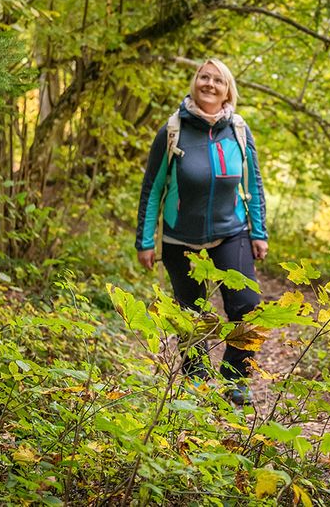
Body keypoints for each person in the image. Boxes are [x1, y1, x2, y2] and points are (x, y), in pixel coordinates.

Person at [135, 58, 268, 406]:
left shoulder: (238, 129)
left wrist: (259, 232)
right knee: (190, 314)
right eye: (203, 77)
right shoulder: (173, 129)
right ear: (195, 82)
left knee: (249, 307)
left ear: (228, 91)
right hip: (180, 238)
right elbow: (153, 188)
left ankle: (234, 379)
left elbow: (254, 183)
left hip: (231, 231)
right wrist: (145, 240)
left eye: (218, 80)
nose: (209, 84)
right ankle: (196, 381)